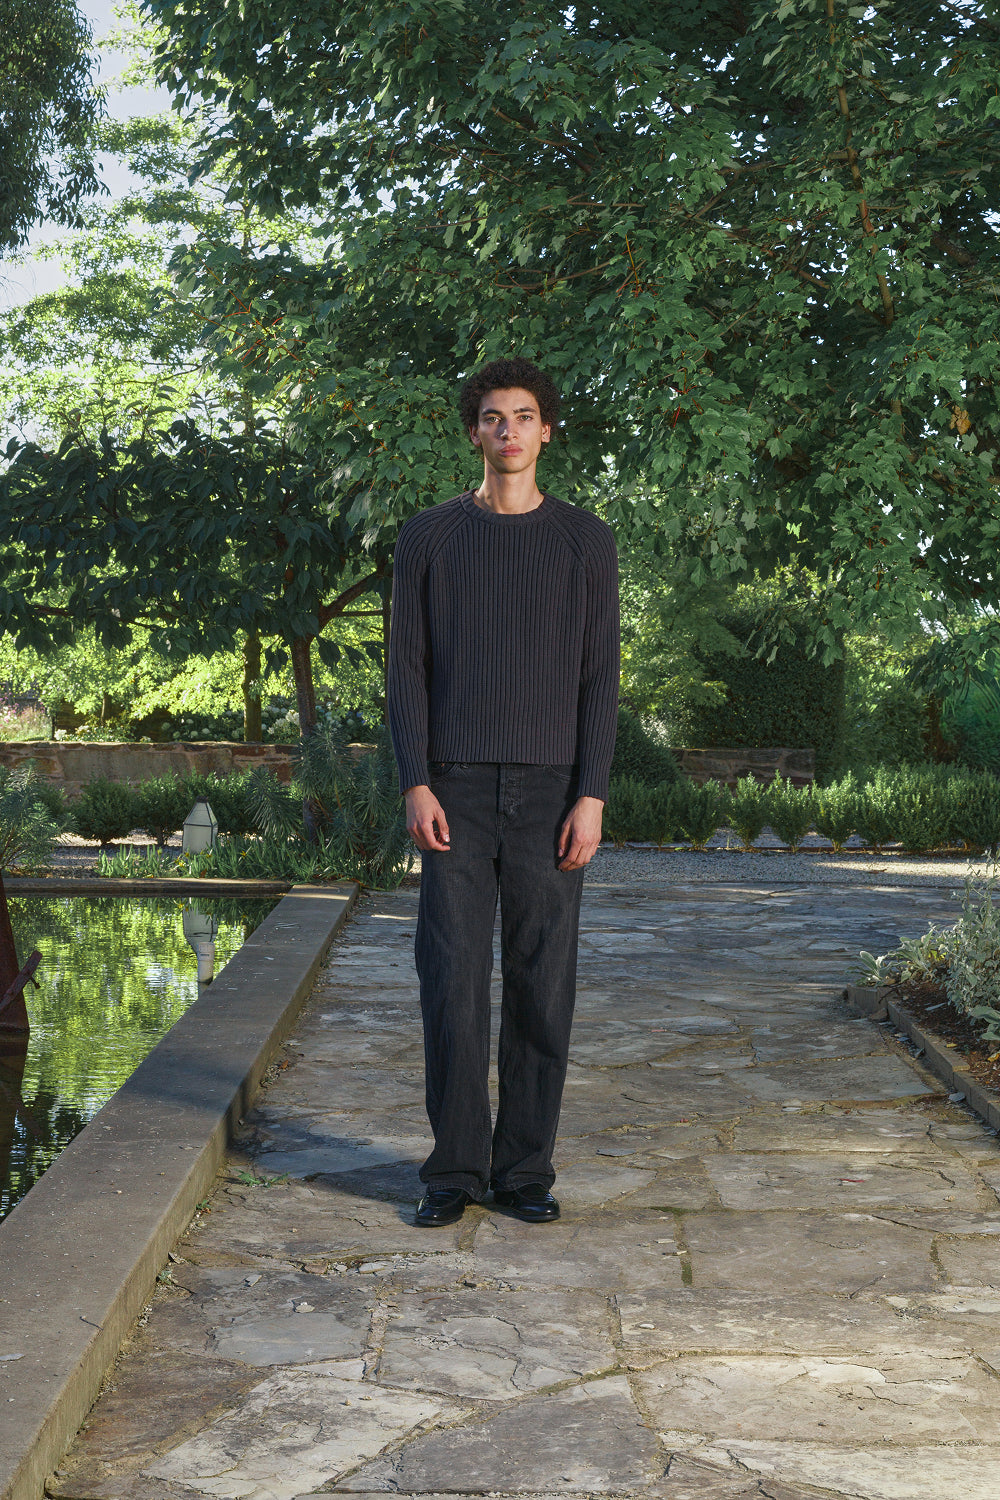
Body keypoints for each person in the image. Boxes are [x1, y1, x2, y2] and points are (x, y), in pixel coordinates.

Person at [387, 356, 619, 1227]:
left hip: (553, 791)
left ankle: (524, 1169)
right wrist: (416, 779)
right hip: (452, 790)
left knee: (540, 982)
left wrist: (590, 793)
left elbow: (602, 678)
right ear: (474, 431)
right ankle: (451, 1171)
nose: (509, 430)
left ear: (546, 430)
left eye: (525, 416)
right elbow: (405, 673)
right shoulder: (429, 540)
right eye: (493, 417)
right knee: (448, 979)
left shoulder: (585, 542)